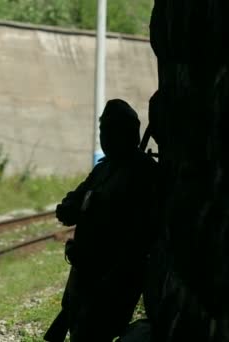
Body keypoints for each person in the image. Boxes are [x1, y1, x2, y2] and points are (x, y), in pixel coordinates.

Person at [44, 99, 159, 342]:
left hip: (113, 277)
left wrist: (116, 275)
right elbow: (73, 201)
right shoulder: (104, 169)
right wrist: (70, 207)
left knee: (93, 332)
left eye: (110, 130)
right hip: (84, 270)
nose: (105, 137)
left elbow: (141, 233)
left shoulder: (142, 172)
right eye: (103, 130)